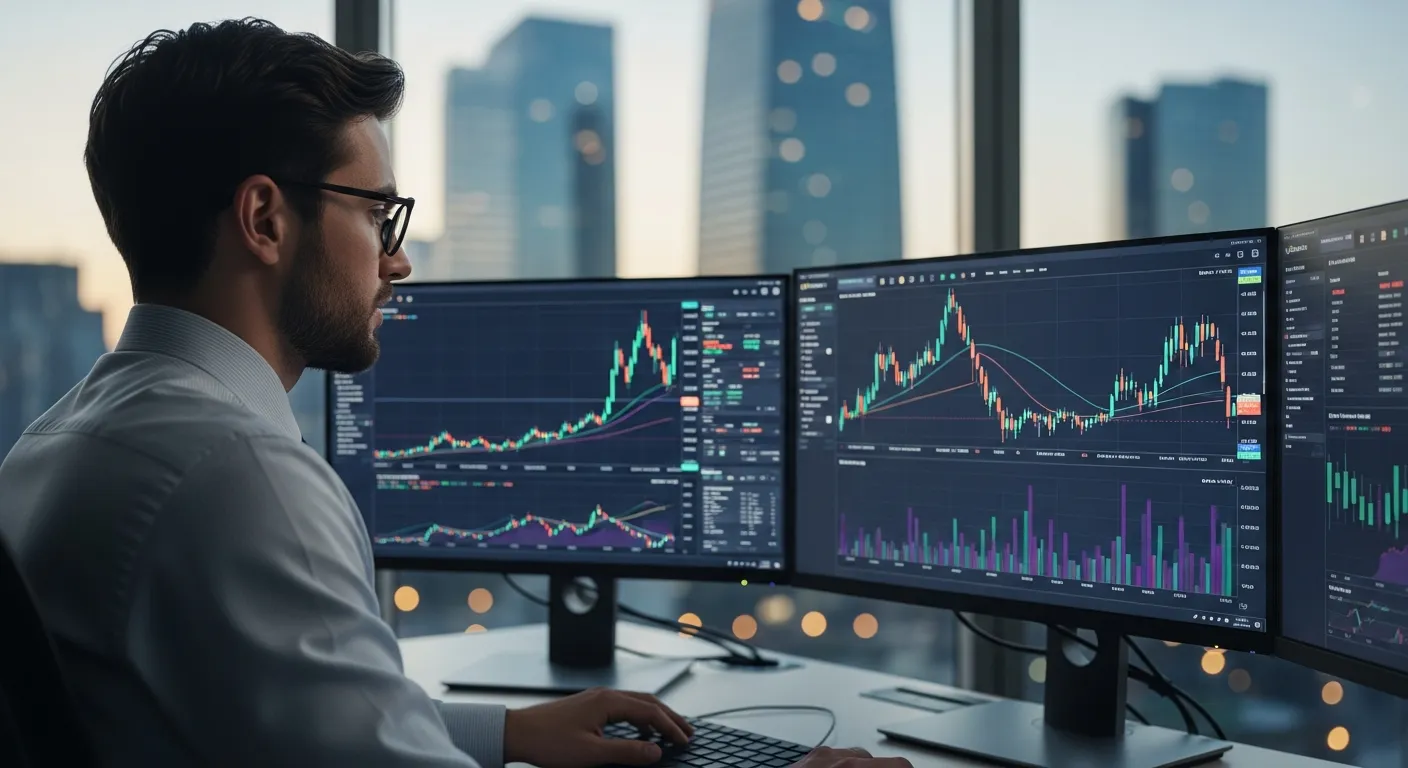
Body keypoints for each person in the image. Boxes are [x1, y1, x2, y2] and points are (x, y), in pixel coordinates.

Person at [0, 17, 913, 768]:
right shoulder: (239, 476)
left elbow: (292, 717)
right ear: (266, 218)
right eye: (376, 212)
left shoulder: (55, 445)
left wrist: (509, 732)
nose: (397, 259)